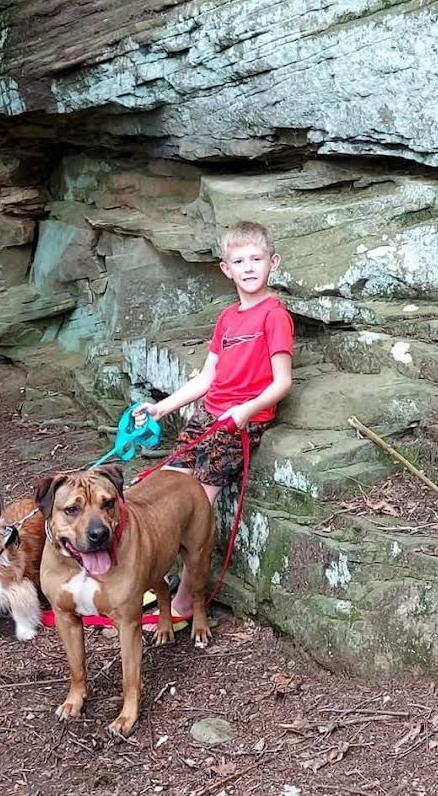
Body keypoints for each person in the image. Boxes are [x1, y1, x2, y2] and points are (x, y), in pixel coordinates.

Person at [133, 220, 293, 616]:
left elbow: (281, 382)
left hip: (239, 422)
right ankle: (159, 582)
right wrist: (162, 407)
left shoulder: (274, 315)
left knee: (196, 511)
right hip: (208, 415)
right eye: (239, 260)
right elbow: (208, 377)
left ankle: (187, 601)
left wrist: (247, 410)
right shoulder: (227, 318)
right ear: (226, 269)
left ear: (273, 262)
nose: (249, 267)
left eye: (256, 259)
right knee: (165, 491)